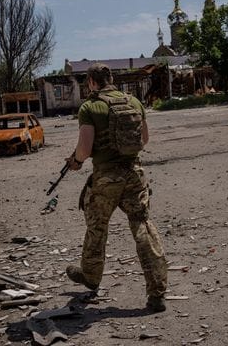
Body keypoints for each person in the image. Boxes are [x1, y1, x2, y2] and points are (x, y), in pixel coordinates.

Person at [64, 63, 168, 312]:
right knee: (142, 225)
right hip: (134, 174)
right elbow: (144, 140)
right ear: (111, 78)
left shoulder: (89, 107)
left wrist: (76, 162)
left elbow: (85, 148)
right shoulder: (133, 102)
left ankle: (91, 276)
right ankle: (157, 292)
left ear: (91, 82)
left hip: (106, 178)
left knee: (97, 226)